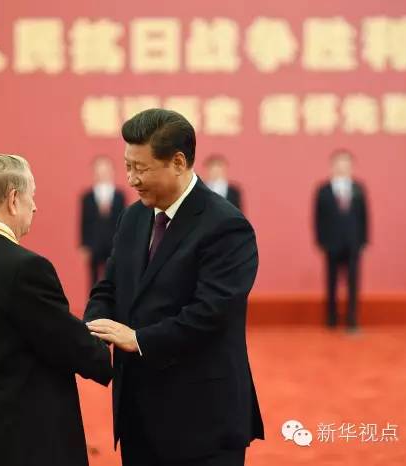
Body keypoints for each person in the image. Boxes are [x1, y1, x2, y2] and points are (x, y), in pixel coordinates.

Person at [85, 109, 264, 466]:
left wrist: (138, 340)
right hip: (138, 415)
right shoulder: (134, 217)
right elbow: (110, 286)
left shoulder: (226, 226)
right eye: (128, 166)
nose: (131, 179)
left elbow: (209, 313)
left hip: (201, 421)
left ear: (178, 162)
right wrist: (92, 329)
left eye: (141, 168)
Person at [0, 154, 112, 466]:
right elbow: (72, 345)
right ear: (14, 199)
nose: (35, 206)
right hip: (23, 445)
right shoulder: (25, 268)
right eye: (32, 195)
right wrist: (105, 337)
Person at [314, 149, 369, 331]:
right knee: (331, 281)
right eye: (339, 163)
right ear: (332, 165)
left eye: (346, 163)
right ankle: (331, 318)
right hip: (331, 243)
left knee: (353, 282)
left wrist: (364, 240)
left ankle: (352, 318)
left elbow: (364, 216)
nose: (342, 166)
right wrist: (320, 240)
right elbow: (318, 217)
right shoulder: (323, 190)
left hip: (353, 242)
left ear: (351, 166)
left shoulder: (358, 188)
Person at [80, 156, 126, 288]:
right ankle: (94, 300)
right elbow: (84, 222)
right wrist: (84, 245)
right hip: (94, 244)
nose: (102, 173)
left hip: (114, 243)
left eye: (105, 169)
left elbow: (124, 221)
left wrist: (123, 242)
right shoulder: (87, 197)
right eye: (99, 169)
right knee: (93, 278)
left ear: (112, 171)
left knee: (114, 276)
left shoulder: (119, 196)